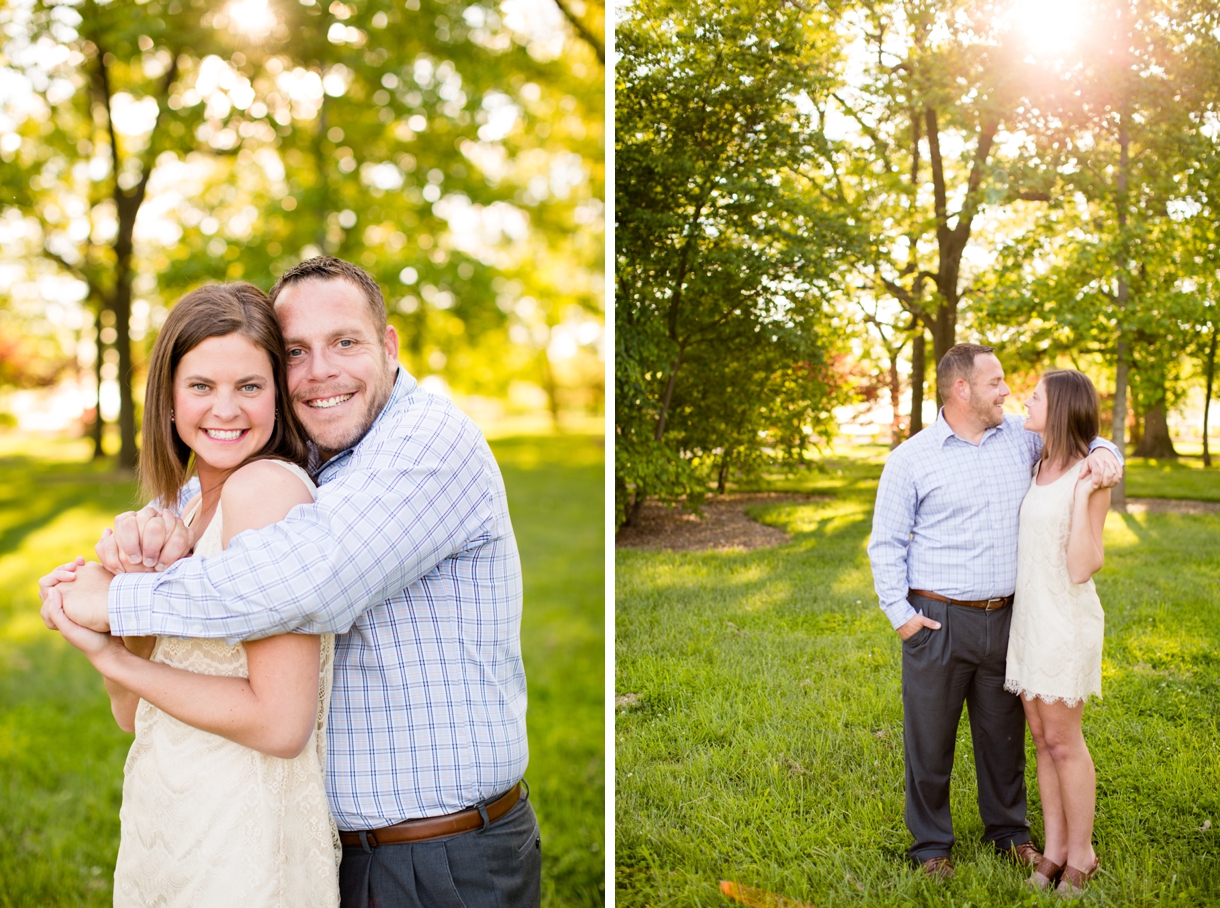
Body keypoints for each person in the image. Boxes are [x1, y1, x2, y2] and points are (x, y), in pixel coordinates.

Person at [42, 257, 540, 908]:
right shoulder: (249, 476)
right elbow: (138, 712)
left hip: (434, 855)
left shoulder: (425, 443)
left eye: (345, 342)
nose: (321, 372)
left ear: (388, 347)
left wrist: (111, 605)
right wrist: (127, 554)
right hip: (231, 832)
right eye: (296, 352)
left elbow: (307, 586)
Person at [42, 282, 339, 905]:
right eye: (201, 386)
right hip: (164, 810)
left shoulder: (266, 492)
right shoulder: (173, 508)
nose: (224, 410)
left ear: (278, 398)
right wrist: (113, 599)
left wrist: (108, 654)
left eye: (249, 387)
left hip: (242, 830)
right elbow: (132, 713)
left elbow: (282, 723)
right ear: (169, 400)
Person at [866, 343, 1122, 880]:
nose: (1007, 391)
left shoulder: (1019, 441)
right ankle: (932, 847)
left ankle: (1011, 834)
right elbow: (886, 543)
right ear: (962, 389)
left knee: (1005, 738)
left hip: (1010, 618)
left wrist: (1108, 452)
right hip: (938, 619)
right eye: (996, 382)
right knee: (929, 741)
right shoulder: (911, 458)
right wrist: (900, 614)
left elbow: (1077, 439)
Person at [1004, 370, 1107, 895]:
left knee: (1065, 742)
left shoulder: (1090, 474)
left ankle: (1083, 854)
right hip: (1028, 621)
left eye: (1036, 396)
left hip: (1065, 622)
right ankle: (1055, 849)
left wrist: (1087, 493)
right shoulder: (1038, 460)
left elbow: (1083, 565)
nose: (1025, 400)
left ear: (1061, 407)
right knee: (1042, 740)